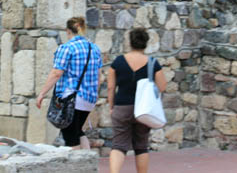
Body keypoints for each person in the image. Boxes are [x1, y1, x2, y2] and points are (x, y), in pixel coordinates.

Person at [36, 17, 102, 149]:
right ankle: (88, 163)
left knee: (70, 136)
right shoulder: (94, 49)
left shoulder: (66, 48)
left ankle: (78, 166)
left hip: (72, 98)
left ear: (67, 31)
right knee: (78, 131)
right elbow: (99, 76)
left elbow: (56, 73)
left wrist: (42, 93)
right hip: (89, 98)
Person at [107, 28, 167, 173]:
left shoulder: (118, 62)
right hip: (143, 110)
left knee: (118, 145)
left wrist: (111, 106)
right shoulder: (153, 63)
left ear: (130, 42)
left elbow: (110, 87)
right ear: (146, 43)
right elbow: (162, 86)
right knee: (141, 146)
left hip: (121, 107)